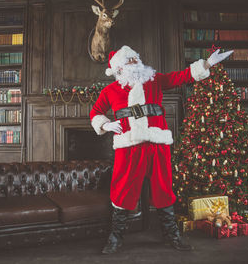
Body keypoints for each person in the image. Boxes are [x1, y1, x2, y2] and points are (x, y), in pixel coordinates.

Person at [89, 45, 233, 254]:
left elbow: (180, 77)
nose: (134, 63)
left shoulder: (154, 81)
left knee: (163, 189)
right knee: (122, 190)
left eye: (135, 59)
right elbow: (95, 112)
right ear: (119, 68)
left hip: (157, 145)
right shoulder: (110, 91)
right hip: (128, 148)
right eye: (128, 61)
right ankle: (115, 237)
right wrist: (106, 125)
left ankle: (172, 235)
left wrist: (207, 64)